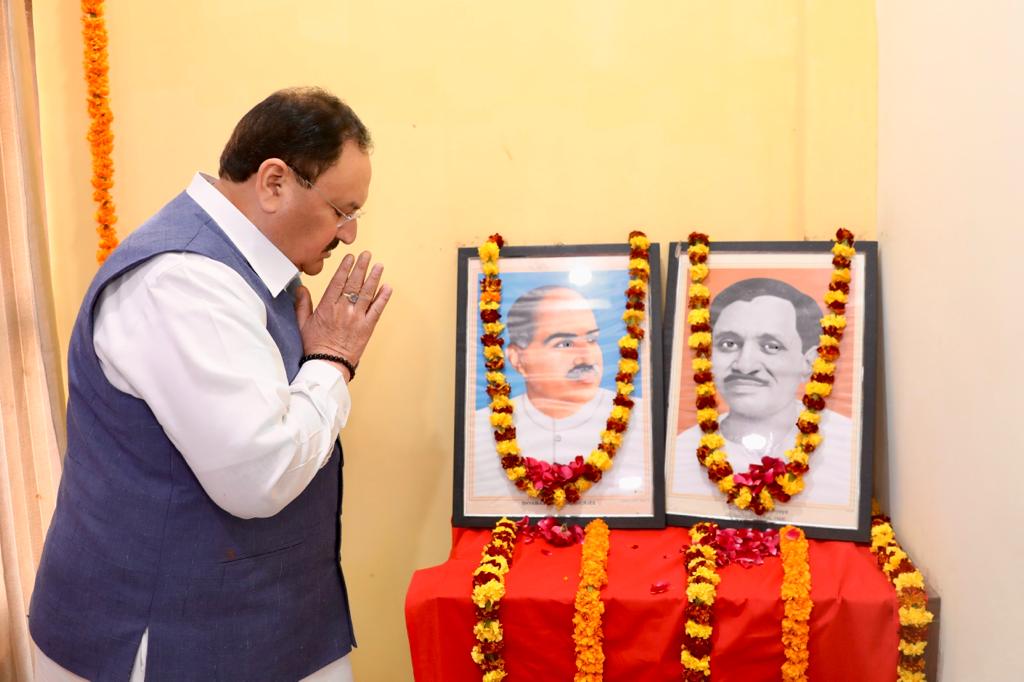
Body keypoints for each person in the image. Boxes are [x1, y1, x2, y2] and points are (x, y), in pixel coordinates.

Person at [29, 88, 391, 681]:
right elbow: (260, 475)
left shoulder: (240, 271)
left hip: (252, 619)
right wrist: (331, 360)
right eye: (342, 211)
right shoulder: (184, 281)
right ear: (273, 183)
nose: (348, 235)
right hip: (161, 637)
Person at [672, 278, 854, 506]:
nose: (744, 365)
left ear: (809, 363)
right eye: (728, 344)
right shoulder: (680, 453)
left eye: (771, 346)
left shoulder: (846, 445)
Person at [472, 285, 646, 498]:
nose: (587, 358)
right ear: (518, 359)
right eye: (565, 343)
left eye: (592, 340)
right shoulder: (480, 430)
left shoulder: (642, 421)